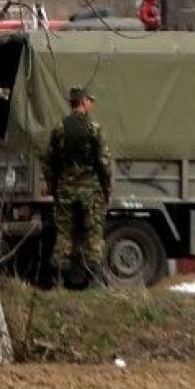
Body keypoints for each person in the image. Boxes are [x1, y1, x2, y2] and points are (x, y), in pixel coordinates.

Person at [43, 85, 112, 288]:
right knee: (93, 234)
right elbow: (104, 162)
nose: (92, 104)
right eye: (90, 100)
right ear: (82, 101)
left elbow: (49, 161)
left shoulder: (59, 128)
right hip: (91, 191)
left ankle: (58, 281)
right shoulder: (94, 128)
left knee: (64, 234)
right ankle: (94, 280)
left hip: (65, 190)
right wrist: (107, 187)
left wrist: (52, 185)